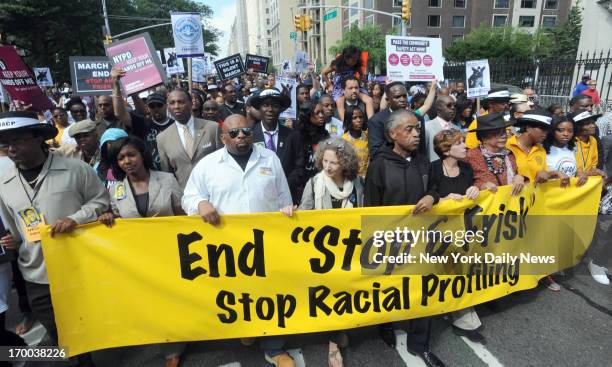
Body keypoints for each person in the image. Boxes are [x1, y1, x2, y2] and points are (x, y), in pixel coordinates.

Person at [181, 114, 295, 367]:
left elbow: (283, 197)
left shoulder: (270, 158)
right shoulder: (208, 164)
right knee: (238, 295)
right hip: (229, 248)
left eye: (245, 131)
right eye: (234, 133)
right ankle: (248, 329)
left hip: (268, 243)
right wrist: (201, 203)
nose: (241, 136)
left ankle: (275, 349)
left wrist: (287, 212)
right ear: (223, 137)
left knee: (271, 295)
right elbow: (188, 197)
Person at [0, 111, 109, 367]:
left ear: (38, 138)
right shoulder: (3, 182)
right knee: (57, 332)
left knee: (85, 326)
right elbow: (12, 226)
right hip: (36, 273)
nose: (11, 148)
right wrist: (12, 241)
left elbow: (101, 201)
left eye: (17, 140)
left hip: (78, 266)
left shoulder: (75, 169)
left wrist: (76, 218)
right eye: (5, 143)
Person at [364, 110, 444, 367]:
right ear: (392, 134)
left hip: (421, 241)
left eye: (417, 129)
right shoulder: (379, 165)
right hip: (391, 243)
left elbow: (434, 188)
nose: (416, 133)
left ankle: (420, 344)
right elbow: (371, 208)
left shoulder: (423, 161)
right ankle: (385, 326)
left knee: (423, 293)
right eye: (409, 129)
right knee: (390, 291)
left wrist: (432, 196)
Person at [97, 136, 185, 367]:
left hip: (171, 253)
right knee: (154, 303)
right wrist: (108, 216)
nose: (127, 161)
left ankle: (190, 332)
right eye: (121, 158)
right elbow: (117, 220)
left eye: (131, 155)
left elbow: (182, 216)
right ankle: (171, 348)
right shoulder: (115, 189)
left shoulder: (166, 180)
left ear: (142, 155)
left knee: (177, 299)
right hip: (139, 259)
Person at [297, 138, 362, 367]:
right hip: (322, 254)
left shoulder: (358, 184)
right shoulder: (314, 183)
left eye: (333, 162)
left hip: (349, 252)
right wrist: (290, 212)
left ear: (345, 163)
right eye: (325, 160)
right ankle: (334, 343)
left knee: (345, 294)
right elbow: (304, 214)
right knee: (329, 294)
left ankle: (339, 331)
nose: (328, 166)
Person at [428, 130, 484, 343]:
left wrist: (476, 188)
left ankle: (462, 315)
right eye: (460, 143)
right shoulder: (432, 169)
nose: (465, 146)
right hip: (437, 232)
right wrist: (442, 199)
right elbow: (425, 196)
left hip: (463, 233)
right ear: (445, 149)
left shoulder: (467, 169)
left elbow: (483, 185)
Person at [156, 89, 222, 189]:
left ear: (191, 104)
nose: (176, 106)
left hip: (216, 190)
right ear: (168, 107)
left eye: (181, 102)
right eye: (172, 103)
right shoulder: (162, 138)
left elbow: (223, 161)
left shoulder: (212, 128)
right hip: (186, 196)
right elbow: (168, 174)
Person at [251, 88, 306, 204]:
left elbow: (299, 167)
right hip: (258, 197)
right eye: (266, 105)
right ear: (259, 108)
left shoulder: (293, 135)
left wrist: (283, 184)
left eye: (275, 106)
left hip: (287, 196)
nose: (270, 110)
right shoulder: (250, 135)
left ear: (281, 109)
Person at [368, 81, 436, 158]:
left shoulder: (417, 118)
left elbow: (421, 150)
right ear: (388, 100)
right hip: (389, 167)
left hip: (415, 167)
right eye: (397, 97)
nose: (402, 99)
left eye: (404, 96)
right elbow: (375, 152)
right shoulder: (376, 121)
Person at [464, 112, 526, 194]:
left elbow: (516, 175)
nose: (504, 136)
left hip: (510, 203)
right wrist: (482, 186)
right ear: (484, 138)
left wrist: (520, 177)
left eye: (504, 132)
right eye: (497, 133)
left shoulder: (509, 154)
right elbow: (464, 184)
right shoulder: (471, 156)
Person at [506, 109, 570, 186]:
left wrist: (553, 173)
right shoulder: (507, 147)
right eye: (542, 129)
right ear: (528, 128)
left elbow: (543, 175)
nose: (545, 134)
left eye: (547, 130)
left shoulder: (541, 150)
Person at [299, 101, 330, 182]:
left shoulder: (325, 135)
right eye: (317, 113)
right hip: (301, 182)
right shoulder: (297, 135)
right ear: (308, 115)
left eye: (322, 112)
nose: (321, 115)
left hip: (321, 181)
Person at [568, 109, 604, 175]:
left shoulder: (593, 140)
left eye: (593, 122)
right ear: (578, 127)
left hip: (589, 181)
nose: (593, 126)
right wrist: (587, 173)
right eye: (587, 124)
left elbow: (594, 163)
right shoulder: (570, 142)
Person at [425, 95, 456, 161]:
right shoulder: (426, 128)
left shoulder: (457, 129)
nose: (453, 108)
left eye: (454, 105)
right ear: (439, 107)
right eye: (449, 105)